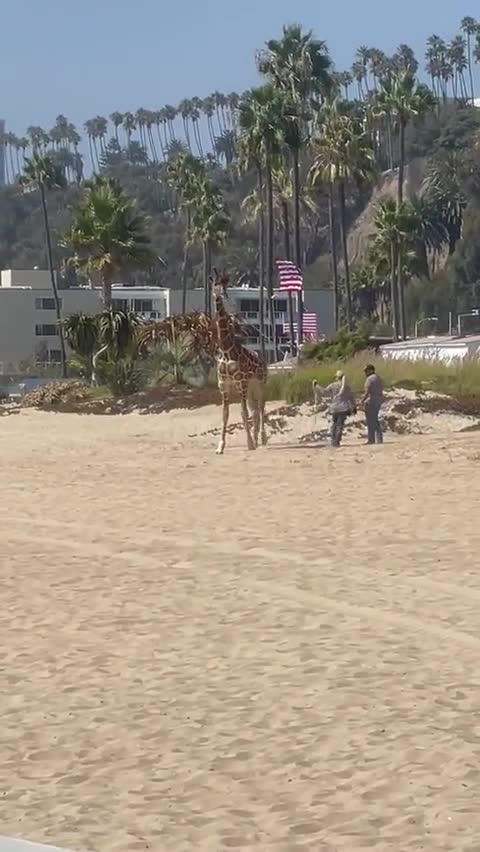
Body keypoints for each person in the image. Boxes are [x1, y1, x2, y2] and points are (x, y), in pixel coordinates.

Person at [322, 370, 356, 447]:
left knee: (334, 425)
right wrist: (354, 406)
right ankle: (336, 442)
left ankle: (333, 440)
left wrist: (316, 385)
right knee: (340, 426)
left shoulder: (332, 385)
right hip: (343, 408)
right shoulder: (347, 387)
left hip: (334, 408)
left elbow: (324, 391)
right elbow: (351, 398)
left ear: (337, 377)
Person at [362, 364, 384, 445]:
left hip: (370, 402)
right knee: (375, 420)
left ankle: (371, 439)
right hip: (378, 401)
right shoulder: (378, 378)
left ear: (371, 370)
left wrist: (362, 400)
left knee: (370, 421)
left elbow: (367, 392)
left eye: (366, 371)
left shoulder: (369, 379)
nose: (365, 373)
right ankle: (379, 438)